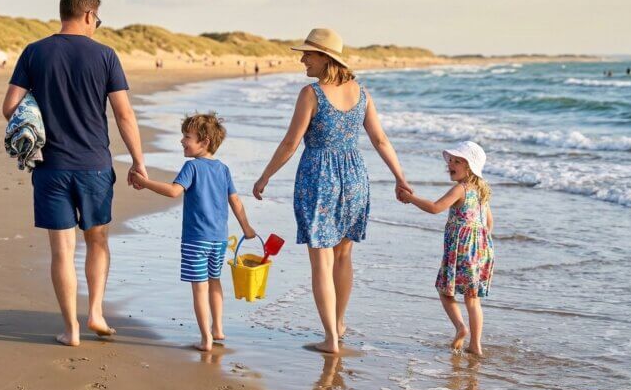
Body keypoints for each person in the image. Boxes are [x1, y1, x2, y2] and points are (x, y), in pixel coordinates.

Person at [1, 0, 147, 347]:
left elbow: (9, 107)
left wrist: (39, 112)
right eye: (97, 18)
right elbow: (124, 114)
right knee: (97, 241)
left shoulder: (35, 52)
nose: (96, 24)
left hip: (50, 166)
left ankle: (71, 329)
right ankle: (95, 312)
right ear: (87, 15)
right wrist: (139, 162)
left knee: (62, 250)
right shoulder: (105, 55)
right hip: (95, 164)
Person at [253, 28, 413, 354]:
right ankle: (338, 324)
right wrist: (400, 177)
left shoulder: (311, 94)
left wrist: (265, 176)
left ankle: (330, 339)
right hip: (355, 178)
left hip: (318, 179)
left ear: (325, 58)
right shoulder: (362, 93)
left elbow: (290, 143)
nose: (301, 60)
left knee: (322, 262)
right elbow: (380, 140)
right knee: (343, 256)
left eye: (307, 55)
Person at [131, 113, 257, 351]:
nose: (182, 141)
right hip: (220, 240)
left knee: (199, 287)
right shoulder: (223, 169)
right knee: (215, 281)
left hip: (196, 241)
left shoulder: (192, 167)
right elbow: (236, 202)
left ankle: (206, 339)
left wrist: (145, 183)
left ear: (205, 141)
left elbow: (173, 192)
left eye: (187, 137)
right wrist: (247, 228)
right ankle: (218, 328)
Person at [397, 141, 494, 356]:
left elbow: (434, 208)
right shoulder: (481, 191)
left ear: (469, 166)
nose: (450, 163)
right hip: (480, 249)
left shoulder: (461, 189)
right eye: (450, 160)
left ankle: (461, 327)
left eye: (457, 161)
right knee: (472, 297)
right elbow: (488, 223)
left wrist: (410, 198)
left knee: (444, 290)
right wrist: (479, 241)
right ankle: (476, 345)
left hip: (460, 248)